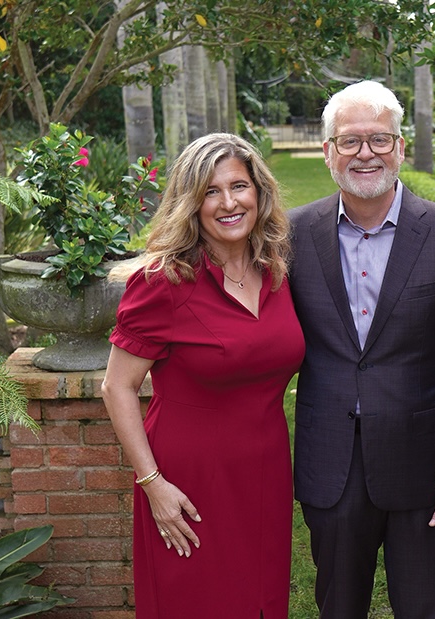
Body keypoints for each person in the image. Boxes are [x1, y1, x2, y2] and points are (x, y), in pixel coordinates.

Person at [288, 80, 435, 619]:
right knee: (338, 607)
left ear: (400, 147)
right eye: (350, 141)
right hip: (330, 463)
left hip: (422, 469)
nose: (365, 153)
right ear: (328, 151)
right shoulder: (292, 235)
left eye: (379, 139)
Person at [100, 133, 304, 618]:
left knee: (261, 599)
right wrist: (153, 484)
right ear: (191, 203)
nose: (229, 203)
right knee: (198, 601)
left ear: (259, 192)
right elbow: (117, 386)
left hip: (266, 470)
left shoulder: (275, 269)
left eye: (239, 186)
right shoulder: (162, 282)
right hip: (189, 479)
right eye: (211, 192)